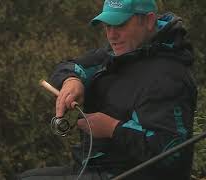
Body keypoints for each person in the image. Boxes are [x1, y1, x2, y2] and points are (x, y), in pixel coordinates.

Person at [19, 0, 197, 179]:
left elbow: (172, 155)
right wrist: (71, 81)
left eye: (120, 25)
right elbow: (73, 65)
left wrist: (112, 129)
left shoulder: (168, 77)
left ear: (149, 21)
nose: (112, 35)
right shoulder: (119, 54)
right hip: (93, 168)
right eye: (107, 26)